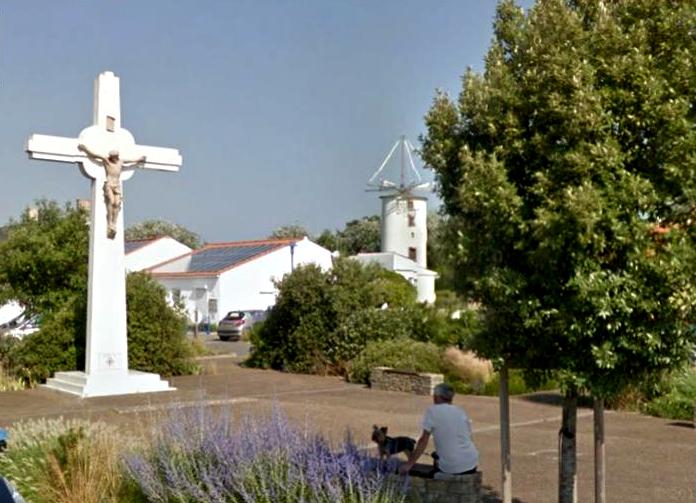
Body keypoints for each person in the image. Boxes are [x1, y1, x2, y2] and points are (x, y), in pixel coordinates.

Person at [399, 383, 478, 478]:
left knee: (437, 463)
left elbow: (423, 441)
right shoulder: (460, 411)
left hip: (451, 467)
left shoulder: (432, 411)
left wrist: (409, 465)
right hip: (471, 462)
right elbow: (468, 437)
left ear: (437, 396)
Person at [77, 144, 145, 239]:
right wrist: (85, 149)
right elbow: (94, 155)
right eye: (113, 157)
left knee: (117, 204)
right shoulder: (107, 161)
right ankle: (109, 223)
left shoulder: (120, 162)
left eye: (116, 156)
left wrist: (139, 159)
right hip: (109, 184)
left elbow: (130, 161)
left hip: (117, 186)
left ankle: (114, 223)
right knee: (111, 202)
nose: (115, 158)